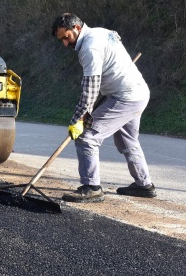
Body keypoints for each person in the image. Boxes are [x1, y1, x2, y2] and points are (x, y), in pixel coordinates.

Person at [51, 13, 156, 203]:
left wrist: (78, 120)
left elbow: (90, 90)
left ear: (76, 28)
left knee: (86, 136)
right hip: (138, 93)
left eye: (66, 37)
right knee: (127, 141)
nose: (65, 44)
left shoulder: (89, 48)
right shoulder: (101, 32)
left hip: (125, 96)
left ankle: (92, 187)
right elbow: (116, 37)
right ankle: (144, 185)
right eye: (61, 40)